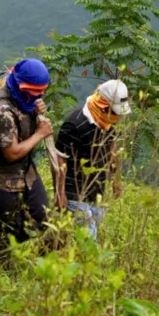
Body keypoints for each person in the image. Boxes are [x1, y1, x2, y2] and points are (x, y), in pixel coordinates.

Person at [0, 58, 54, 262]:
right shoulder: (2, 111)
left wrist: (37, 110)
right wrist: (40, 134)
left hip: (27, 175)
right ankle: (0, 279)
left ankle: (38, 264)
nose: (36, 96)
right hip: (1, 181)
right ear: (20, 86)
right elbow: (11, 153)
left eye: (40, 92)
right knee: (4, 237)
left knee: (44, 220)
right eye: (32, 92)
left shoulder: (25, 100)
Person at [55, 80, 132, 240]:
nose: (117, 118)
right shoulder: (74, 124)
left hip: (98, 193)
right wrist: (60, 192)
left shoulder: (107, 124)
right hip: (75, 193)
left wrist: (116, 179)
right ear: (103, 105)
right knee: (89, 243)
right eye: (115, 112)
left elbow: (112, 150)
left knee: (91, 236)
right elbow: (59, 160)